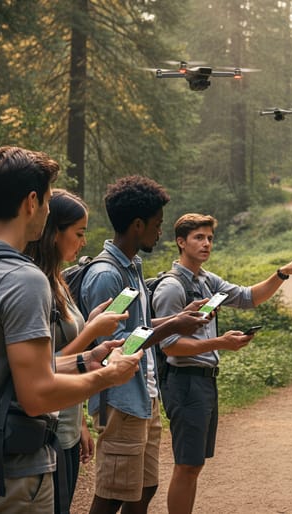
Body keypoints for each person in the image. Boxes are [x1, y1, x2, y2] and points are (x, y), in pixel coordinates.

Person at [0, 146, 142, 514]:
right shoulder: (23, 279)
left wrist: (85, 360)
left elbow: (9, 371)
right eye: (49, 201)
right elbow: (36, 395)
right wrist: (109, 376)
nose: (48, 210)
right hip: (10, 474)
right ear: (31, 202)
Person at [152, 213, 292, 514]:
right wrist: (219, 343)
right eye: (198, 238)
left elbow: (248, 297)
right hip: (185, 381)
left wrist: (282, 273)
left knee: (194, 464)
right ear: (180, 242)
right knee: (186, 465)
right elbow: (169, 345)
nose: (206, 244)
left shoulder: (206, 280)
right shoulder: (172, 287)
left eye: (210, 238)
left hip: (203, 381)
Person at [79, 177, 209, 514]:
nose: (160, 232)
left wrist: (175, 319)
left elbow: (137, 328)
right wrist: (175, 326)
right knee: (111, 494)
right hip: (119, 401)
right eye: (156, 225)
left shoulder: (132, 267)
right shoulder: (107, 275)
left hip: (142, 394)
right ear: (137, 225)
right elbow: (113, 349)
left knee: (144, 488)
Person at [24, 190, 130, 514]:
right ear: (54, 231)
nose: (84, 242)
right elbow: (41, 367)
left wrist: (81, 419)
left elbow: (64, 358)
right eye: (79, 233)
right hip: (46, 430)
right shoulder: (34, 284)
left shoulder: (57, 280)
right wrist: (91, 333)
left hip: (67, 424)